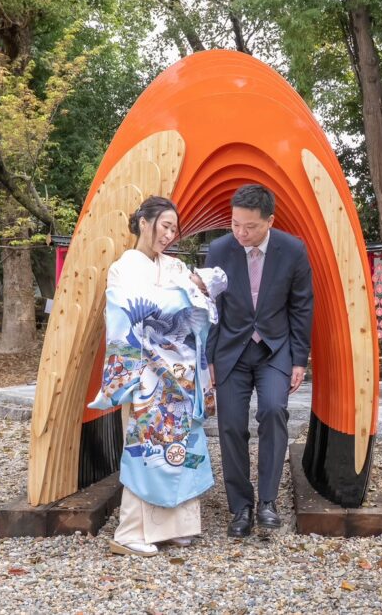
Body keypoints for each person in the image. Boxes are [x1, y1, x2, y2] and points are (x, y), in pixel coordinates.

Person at [88, 196, 225, 557]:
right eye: (165, 226)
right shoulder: (124, 268)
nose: (170, 235)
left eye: (174, 230)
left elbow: (202, 308)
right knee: (146, 451)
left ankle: (179, 526)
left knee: (185, 446)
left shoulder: (177, 268)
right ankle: (132, 531)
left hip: (181, 375)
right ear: (144, 222)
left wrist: (190, 299)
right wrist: (180, 301)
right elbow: (126, 318)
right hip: (148, 374)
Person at [205, 184, 314, 537]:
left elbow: (301, 306)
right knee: (231, 425)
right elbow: (210, 309)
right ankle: (241, 506)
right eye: (235, 224)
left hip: (275, 349)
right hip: (231, 350)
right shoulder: (221, 249)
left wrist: (299, 359)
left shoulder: (293, 250)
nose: (240, 233)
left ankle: (268, 501)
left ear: (269, 221)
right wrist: (208, 359)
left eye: (249, 227)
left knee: (272, 411)